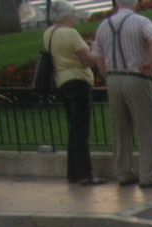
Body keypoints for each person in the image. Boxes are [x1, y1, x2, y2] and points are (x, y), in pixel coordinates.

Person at [94, 0, 152, 187]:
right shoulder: (140, 21)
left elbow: (98, 56)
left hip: (113, 79)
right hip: (136, 77)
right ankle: (148, 175)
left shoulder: (104, 25)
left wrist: (107, 75)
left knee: (120, 129)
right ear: (134, 3)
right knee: (146, 126)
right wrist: (151, 62)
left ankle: (123, 172)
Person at [45, 1, 102, 185]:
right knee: (81, 130)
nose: (74, 18)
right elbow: (87, 60)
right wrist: (95, 49)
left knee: (73, 128)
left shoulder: (48, 33)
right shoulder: (70, 33)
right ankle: (85, 174)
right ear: (66, 16)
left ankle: (73, 171)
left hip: (61, 82)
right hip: (78, 81)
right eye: (73, 15)